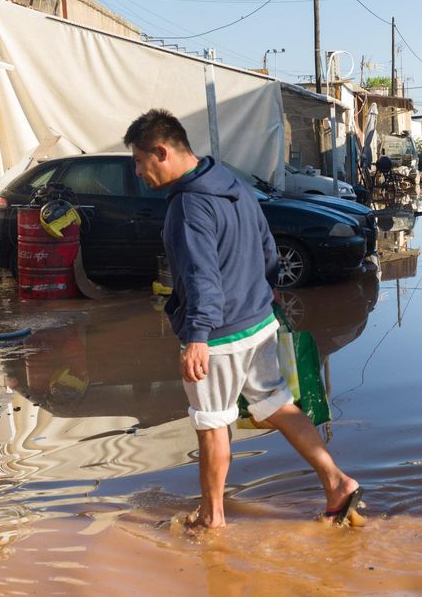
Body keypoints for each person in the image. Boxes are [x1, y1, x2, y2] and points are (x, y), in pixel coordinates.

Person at [124, 109, 362, 529]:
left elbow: (200, 275)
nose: (139, 172)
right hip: (259, 321)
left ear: (161, 152)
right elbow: (267, 245)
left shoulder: (187, 206)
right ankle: (336, 480)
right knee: (275, 404)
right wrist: (264, 291)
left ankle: (211, 518)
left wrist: (197, 335)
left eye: (139, 161)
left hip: (219, 336)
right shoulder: (230, 183)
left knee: (212, 424)